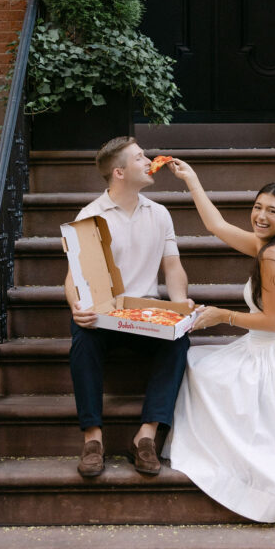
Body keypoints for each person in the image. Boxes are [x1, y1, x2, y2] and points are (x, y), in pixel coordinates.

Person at [163, 159, 275, 523]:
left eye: (271, 211)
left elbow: (273, 323)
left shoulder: (273, 255)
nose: (260, 216)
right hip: (271, 348)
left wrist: (221, 316)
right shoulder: (273, 245)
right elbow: (216, 225)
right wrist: (191, 179)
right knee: (198, 362)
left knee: (198, 370)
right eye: (257, 207)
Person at [64, 136, 192, 479]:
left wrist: (179, 303)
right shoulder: (91, 215)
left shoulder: (159, 214)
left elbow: (173, 268)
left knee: (179, 339)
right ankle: (93, 439)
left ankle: (146, 436)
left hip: (145, 314)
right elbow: (73, 278)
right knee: (82, 337)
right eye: (139, 158)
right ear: (119, 172)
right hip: (104, 316)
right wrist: (77, 306)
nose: (149, 161)